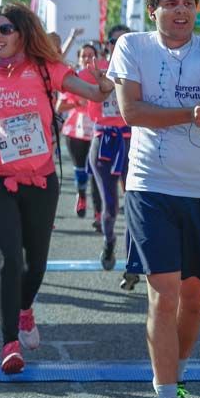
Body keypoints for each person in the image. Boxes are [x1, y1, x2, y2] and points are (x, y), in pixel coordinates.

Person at [108, 0, 200, 398]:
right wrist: (189, 114)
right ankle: (167, 397)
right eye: (170, 3)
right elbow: (131, 112)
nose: (180, 11)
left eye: (187, 3)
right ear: (154, 9)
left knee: (194, 298)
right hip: (151, 187)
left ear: (196, 8)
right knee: (164, 295)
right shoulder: (132, 46)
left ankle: (177, 372)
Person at [0, 3, 114, 374]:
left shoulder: (47, 69)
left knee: (35, 264)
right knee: (7, 259)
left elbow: (94, 94)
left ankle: (25, 308)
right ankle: (9, 344)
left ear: (23, 32)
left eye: (4, 29)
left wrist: (102, 86)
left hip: (40, 179)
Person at [78, 42, 132, 271]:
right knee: (110, 206)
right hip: (104, 143)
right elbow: (64, 79)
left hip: (131, 143)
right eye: (114, 43)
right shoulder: (94, 70)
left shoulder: (138, 70)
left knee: (134, 204)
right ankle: (109, 241)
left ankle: (133, 257)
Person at [56, 44, 102, 223]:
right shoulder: (72, 78)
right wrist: (77, 103)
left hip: (98, 130)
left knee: (96, 172)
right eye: (84, 56)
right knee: (81, 170)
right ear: (79, 59)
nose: (87, 59)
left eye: (91, 55)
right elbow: (60, 107)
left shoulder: (103, 77)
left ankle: (98, 213)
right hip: (75, 131)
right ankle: (81, 195)